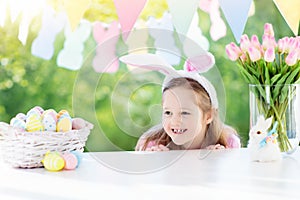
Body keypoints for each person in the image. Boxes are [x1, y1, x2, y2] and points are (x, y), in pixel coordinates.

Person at [119, 53, 241, 151]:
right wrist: (156, 160)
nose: (175, 121)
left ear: (208, 115)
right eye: (168, 113)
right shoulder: (153, 144)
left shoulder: (227, 143)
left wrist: (220, 158)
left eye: (184, 113)